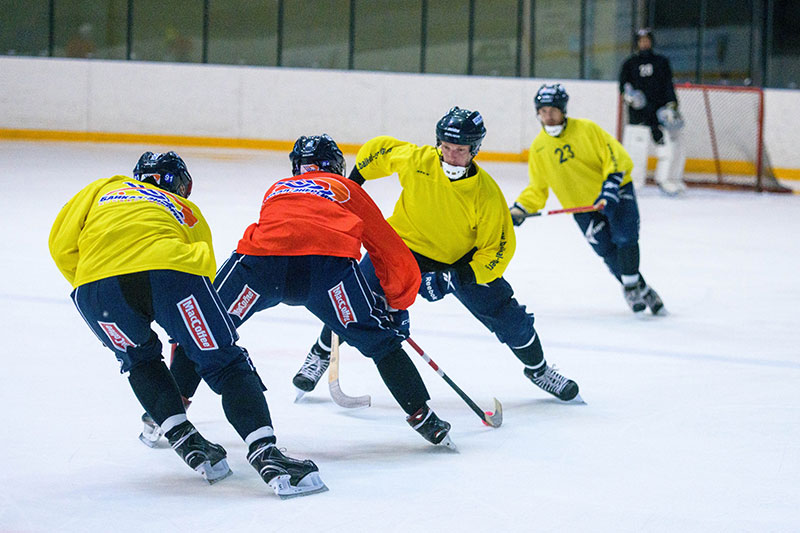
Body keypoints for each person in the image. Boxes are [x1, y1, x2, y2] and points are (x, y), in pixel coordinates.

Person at [141, 135, 454, 449]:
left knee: (202, 331)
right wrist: (397, 303)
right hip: (326, 275)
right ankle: (424, 418)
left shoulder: (277, 187)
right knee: (382, 344)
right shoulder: (345, 188)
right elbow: (387, 247)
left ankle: (164, 413)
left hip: (261, 268)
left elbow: (286, 232)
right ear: (336, 166)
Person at [49, 151, 327, 499]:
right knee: (226, 363)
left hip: (97, 290)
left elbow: (59, 245)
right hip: (173, 276)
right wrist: (187, 324)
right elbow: (204, 265)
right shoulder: (185, 209)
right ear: (180, 184)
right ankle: (267, 455)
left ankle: (185, 440)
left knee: (140, 361)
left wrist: (95, 279)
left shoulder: (105, 187)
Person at [298, 108, 581, 405]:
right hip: (403, 248)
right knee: (357, 299)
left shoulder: (486, 194)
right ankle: (319, 355)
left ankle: (539, 370)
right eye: (446, 147)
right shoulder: (418, 160)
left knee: (509, 317)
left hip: (459, 260)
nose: (451, 156)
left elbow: (498, 251)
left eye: (460, 150)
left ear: (474, 150)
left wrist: (455, 278)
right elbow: (377, 151)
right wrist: (352, 187)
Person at [510, 84, 665, 315]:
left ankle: (631, 286)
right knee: (606, 250)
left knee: (625, 237)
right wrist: (521, 208)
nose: (548, 116)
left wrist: (611, 185)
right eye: (543, 111)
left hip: (614, 191)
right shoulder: (539, 149)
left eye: (553, 110)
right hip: (582, 207)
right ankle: (639, 286)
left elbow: (615, 155)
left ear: (563, 110)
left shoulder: (587, 129)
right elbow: (537, 188)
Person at [619, 27, 686, 195]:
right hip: (638, 117)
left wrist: (672, 105)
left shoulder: (661, 62)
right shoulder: (629, 64)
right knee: (635, 152)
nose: (644, 43)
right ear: (636, 43)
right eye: (641, 40)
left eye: (647, 40)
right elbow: (623, 87)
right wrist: (629, 97)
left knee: (669, 149)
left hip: (660, 115)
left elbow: (668, 86)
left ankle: (666, 180)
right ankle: (632, 184)